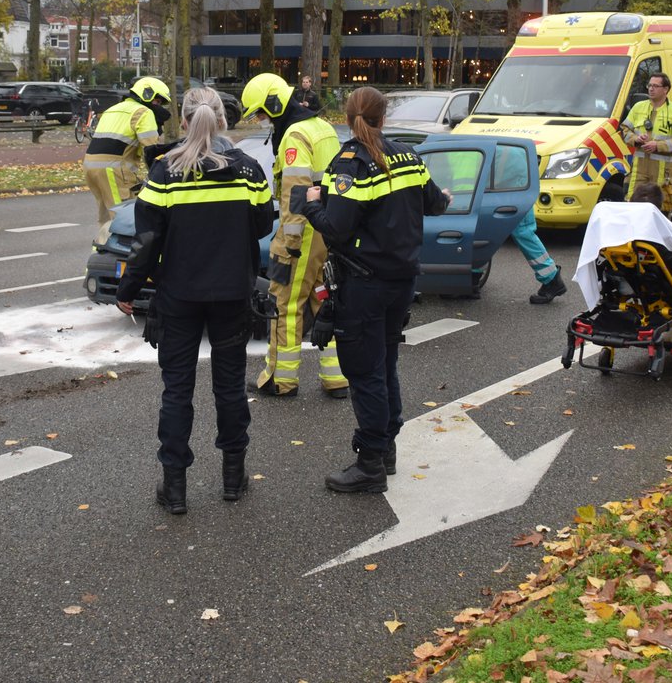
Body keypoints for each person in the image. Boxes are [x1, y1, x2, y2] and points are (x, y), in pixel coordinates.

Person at [116, 88, 275, 515]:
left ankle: (175, 488)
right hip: (232, 294)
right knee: (230, 387)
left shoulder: (165, 171)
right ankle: (232, 478)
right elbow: (263, 224)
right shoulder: (248, 169)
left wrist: (128, 289)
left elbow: (146, 240)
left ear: (183, 122)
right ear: (222, 120)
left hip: (179, 296)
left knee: (177, 391)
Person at [299, 87, 449, 493]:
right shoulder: (408, 155)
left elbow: (336, 228)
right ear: (383, 118)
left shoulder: (350, 164)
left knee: (365, 373)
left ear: (348, 119)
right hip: (402, 281)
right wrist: (444, 197)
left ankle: (369, 465)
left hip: (364, 284)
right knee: (384, 364)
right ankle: (386, 450)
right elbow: (436, 203)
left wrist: (310, 203)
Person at [240, 71, 347, 398]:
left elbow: (296, 195)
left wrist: (289, 243)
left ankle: (280, 380)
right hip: (329, 228)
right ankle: (337, 378)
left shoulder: (295, 136)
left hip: (304, 234)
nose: (261, 120)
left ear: (273, 104)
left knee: (283, 304)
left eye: (261, 113)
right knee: (324, 299)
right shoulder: (323, 127)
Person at [84, 76, 171, 236]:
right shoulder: (143, 112)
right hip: (114, 170)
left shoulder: (113, 109)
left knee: (106, 219)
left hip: (90, 167)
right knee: (124, 220)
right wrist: (161, 175)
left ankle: (102, 249)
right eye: (158, 101)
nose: (158, 106)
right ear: (147, 95)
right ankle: (121, 252)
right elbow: (152, 150)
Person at [622, 71, 672, 216]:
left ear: (665, 89)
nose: (651, 89)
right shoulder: (638, 107)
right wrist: (636, 139)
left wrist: (657, 146)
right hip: (639, 171)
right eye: (649, 85)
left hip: (663, 174)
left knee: (660, 212)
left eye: (655, 86)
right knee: (633, 209)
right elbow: (624, 130)